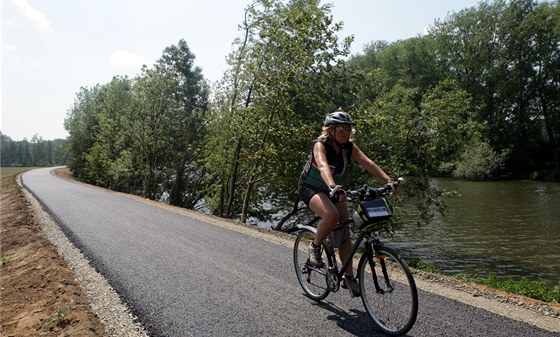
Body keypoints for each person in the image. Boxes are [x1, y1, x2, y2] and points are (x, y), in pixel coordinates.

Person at [298, 111, 398, 297]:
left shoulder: (348, 147)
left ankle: (349, 277)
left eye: (348, 129)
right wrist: (333, 186)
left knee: (344, 232)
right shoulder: (320, 145)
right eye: (342, 128)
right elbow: (322, 166)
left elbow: (367, 163)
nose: (346, 132)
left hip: (333, 188)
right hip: (311, 187)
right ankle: (315, 246)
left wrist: (388, 180)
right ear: (331, 130)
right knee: (331, 215)